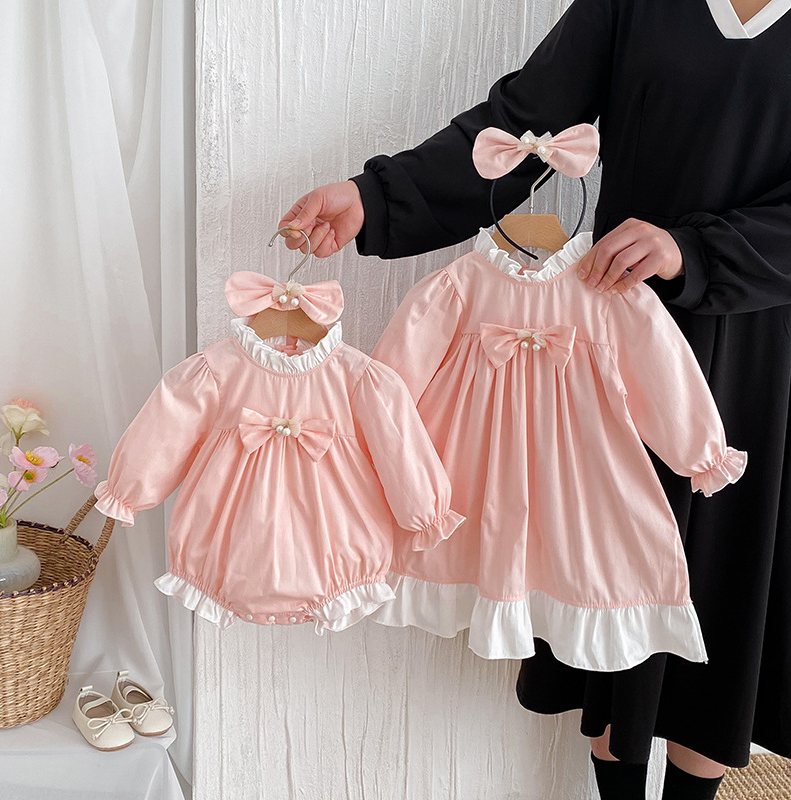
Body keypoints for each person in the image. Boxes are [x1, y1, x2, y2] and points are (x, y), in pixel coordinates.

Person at [278, 0, 791, 797]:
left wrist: (692, 249)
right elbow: (523, 124)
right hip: (606, 336)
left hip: (761, 345)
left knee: (723, 618)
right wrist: (374, 196)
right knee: (610, 604)